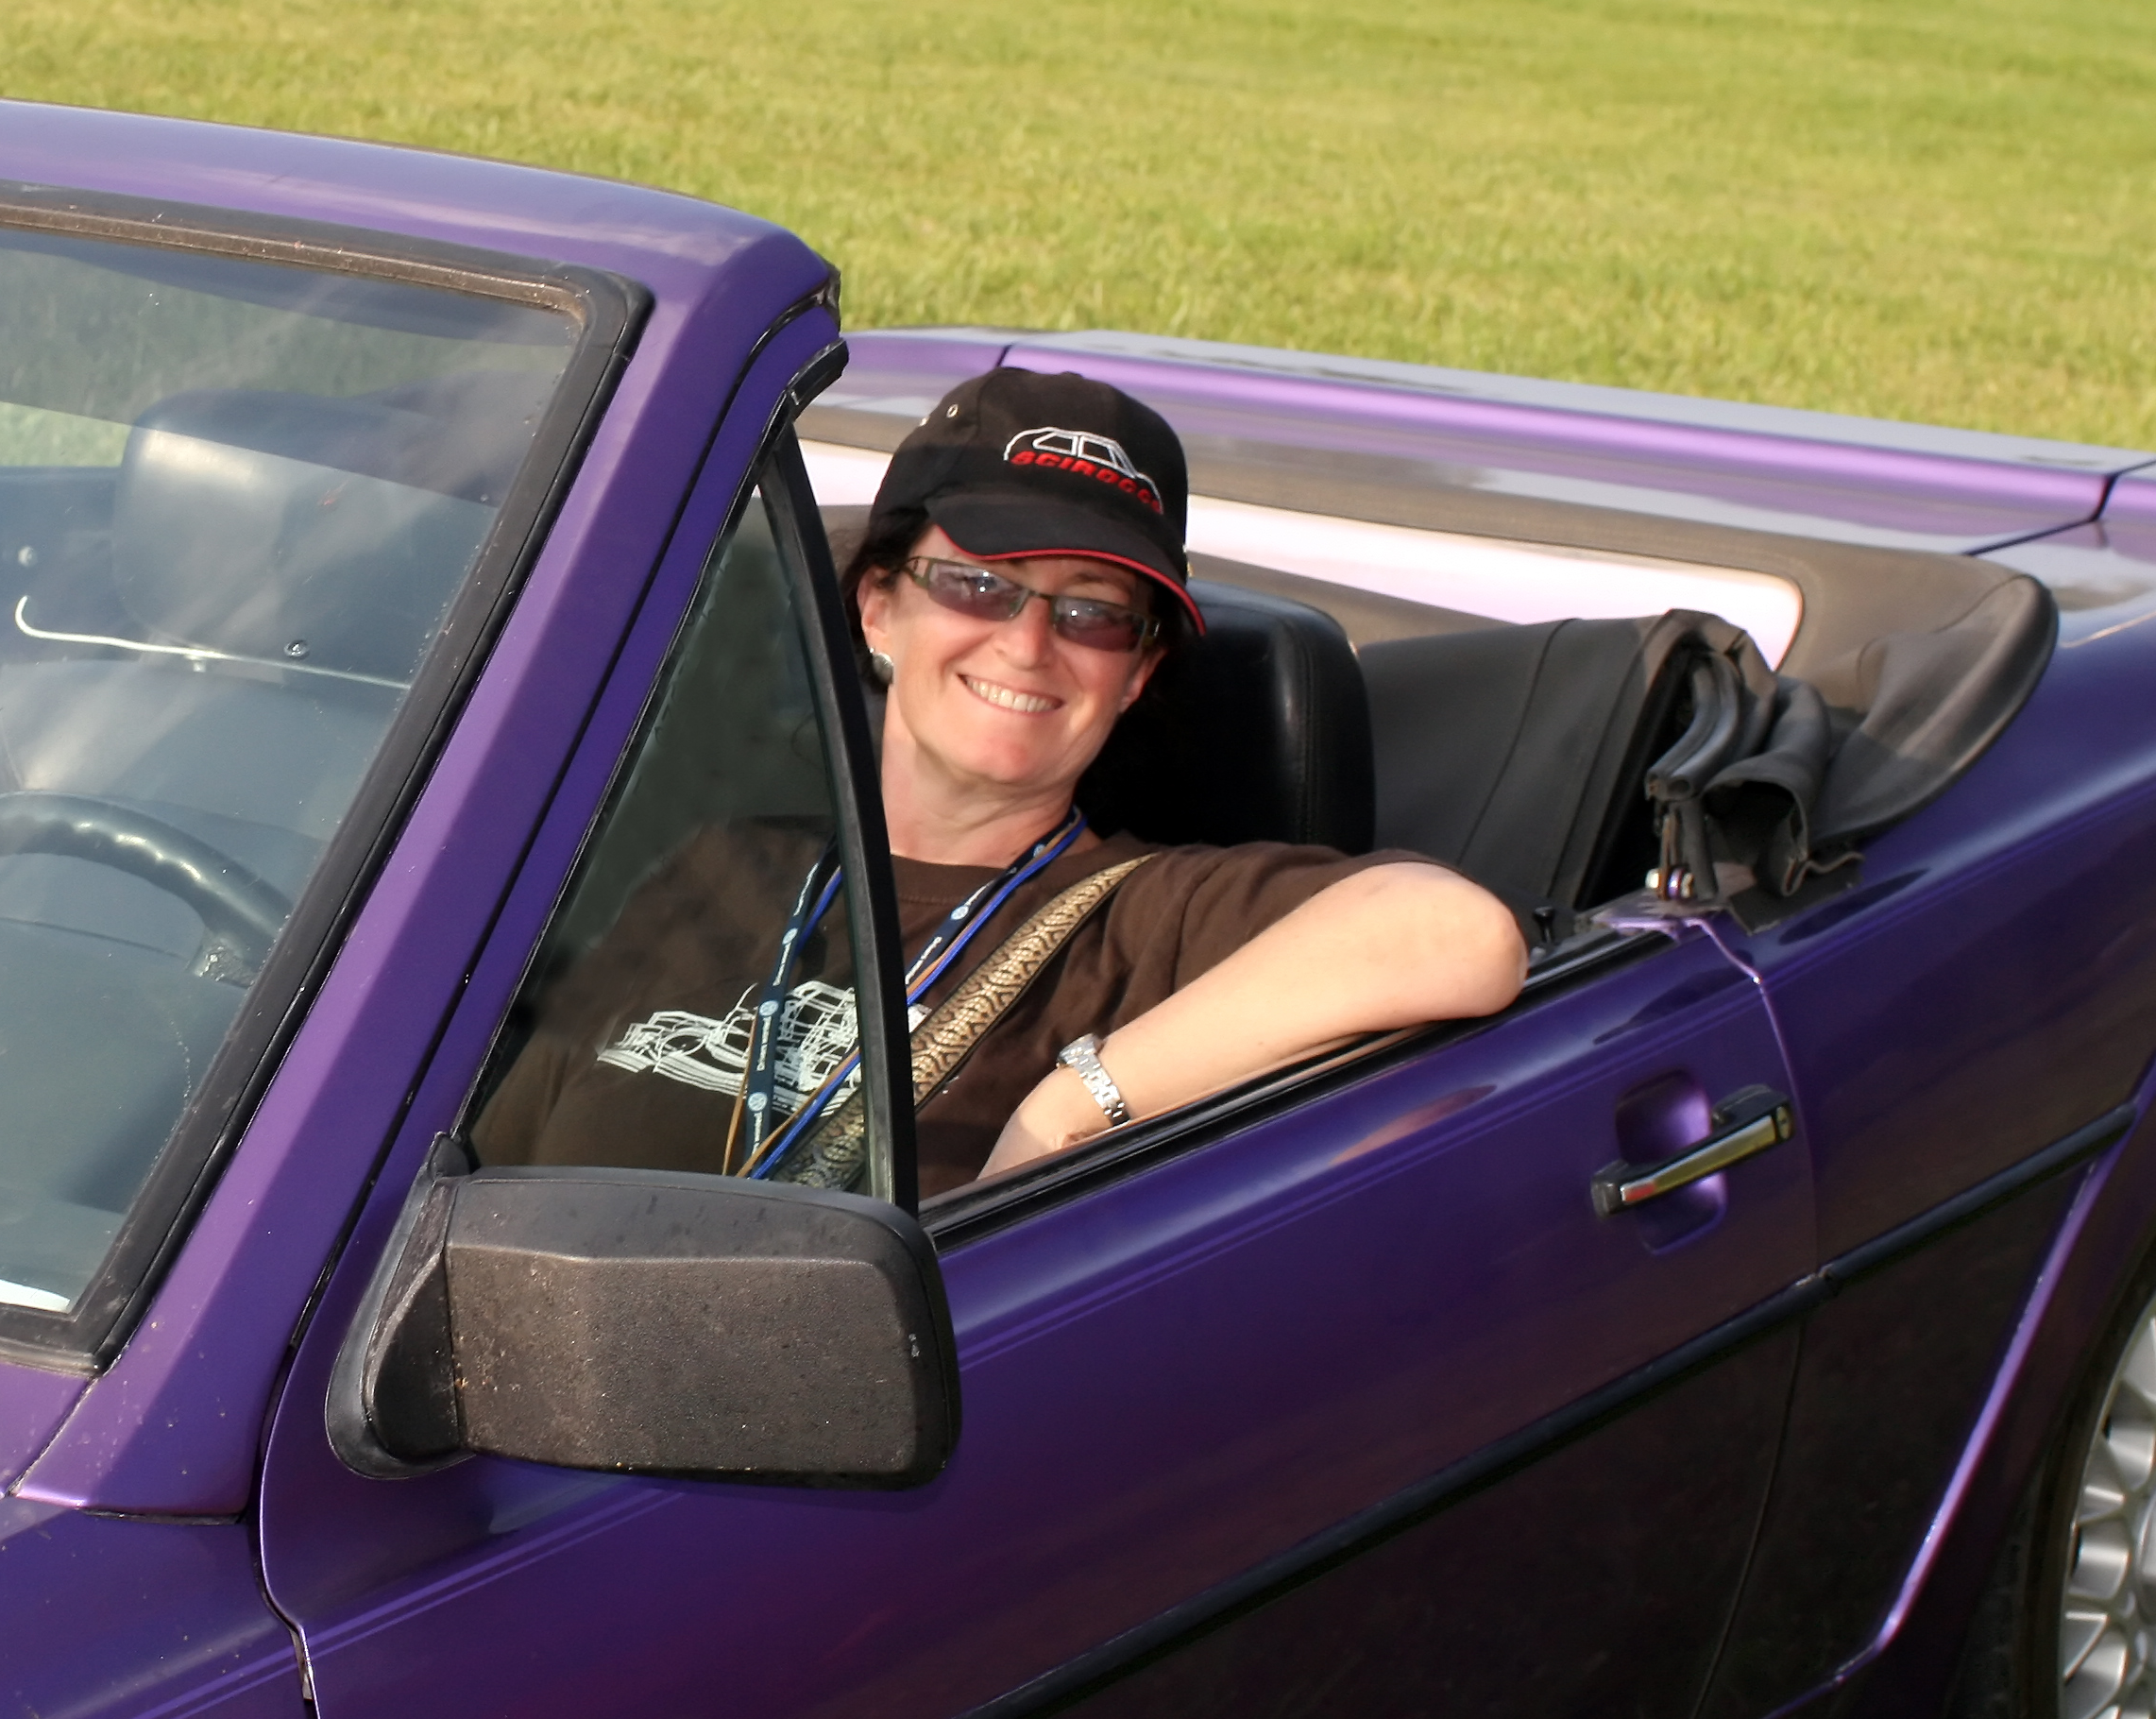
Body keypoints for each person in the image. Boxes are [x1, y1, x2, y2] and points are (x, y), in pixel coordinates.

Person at [474, 368, 1528, 1196]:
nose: (1028, 644)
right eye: (979, 585)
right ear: (879, 607)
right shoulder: (721, 865)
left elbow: (1458, 937)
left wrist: (1071, 1105)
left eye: (1093, 613)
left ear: (1138, 671)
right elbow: (480, 1173)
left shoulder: (1154, 918)